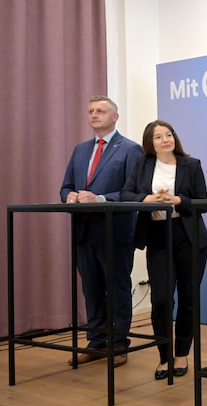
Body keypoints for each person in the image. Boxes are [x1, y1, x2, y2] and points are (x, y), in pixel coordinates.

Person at [121, 120, 207, 380]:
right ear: (150, 143)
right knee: (161, 299)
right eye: (158, 136)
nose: (165, 139)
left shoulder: (191, 164)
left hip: (189, 237)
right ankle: (164, 356)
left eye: (168, 134)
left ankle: (181, 353)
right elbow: (126, 195)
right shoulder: (143, 164)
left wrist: (178, 200)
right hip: (158, 236)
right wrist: (147, 199)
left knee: (188, 299)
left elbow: (202, 202)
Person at [60, 95, 143, 367]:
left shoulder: (130, 149)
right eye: (91, 111)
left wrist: (100, 199)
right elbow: (65, 187)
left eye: (101, 111)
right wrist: (70, 197)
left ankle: (119, 344)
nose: (94, 115)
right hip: (83, 231)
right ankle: (96, 342)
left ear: (115, 117)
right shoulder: (80, 149)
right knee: (92, 289)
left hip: (115, 231)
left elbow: (134, 193)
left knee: (117, 288)